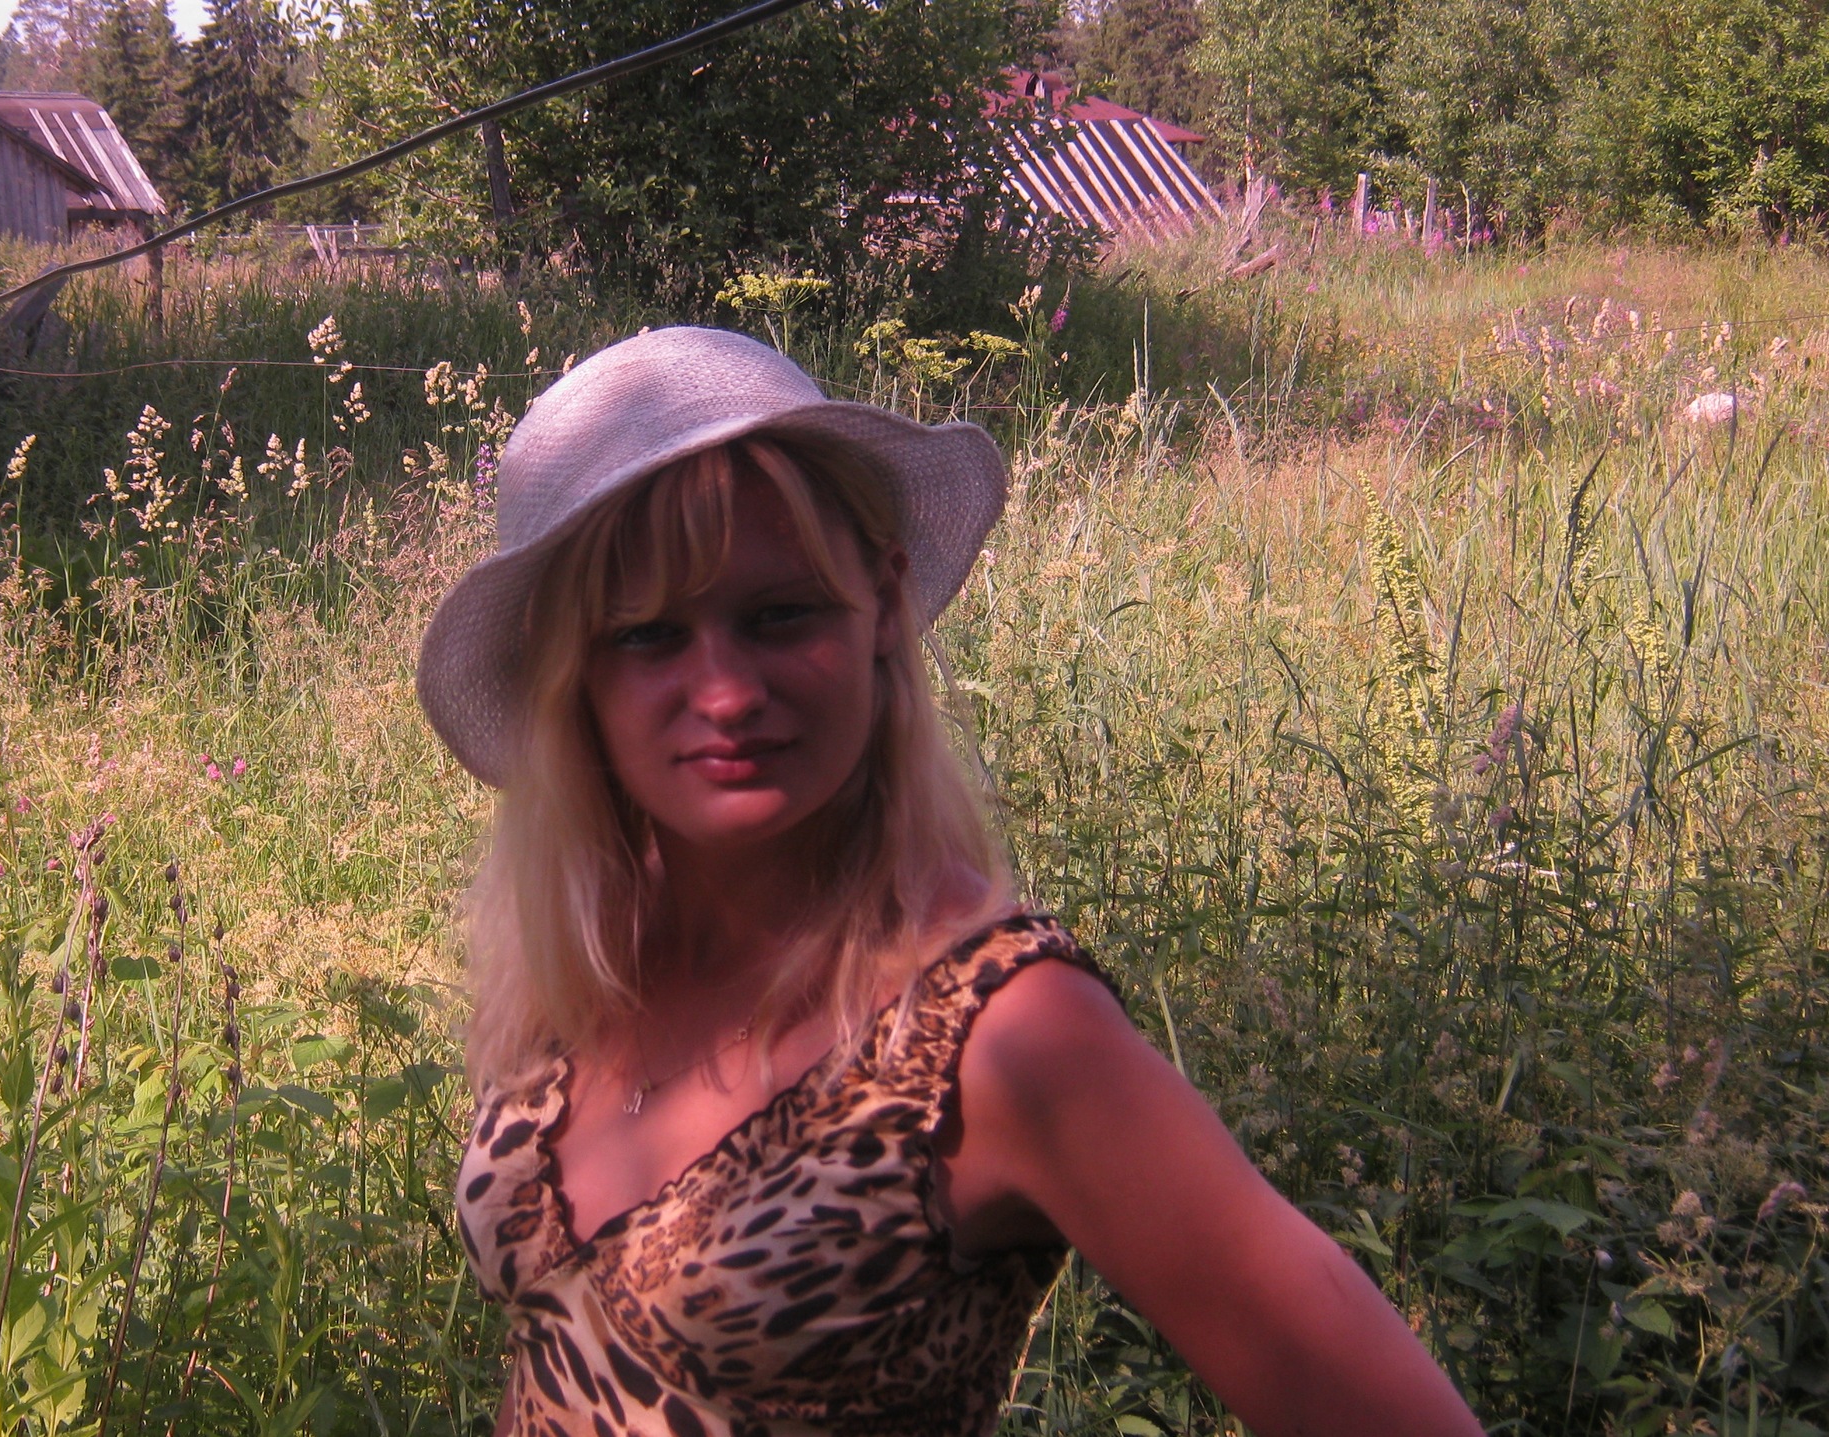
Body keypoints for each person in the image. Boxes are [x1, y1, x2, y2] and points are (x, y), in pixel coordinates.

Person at [414, 327, 1484, 1437]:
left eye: (779, 614)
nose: (725, 693)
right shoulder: (601, 945)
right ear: (572, 673)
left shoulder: (1001, 1029)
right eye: (647, 636)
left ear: (881, 603)